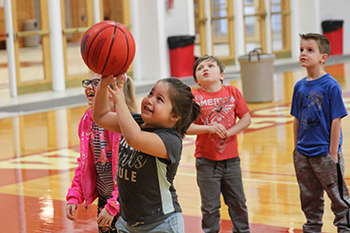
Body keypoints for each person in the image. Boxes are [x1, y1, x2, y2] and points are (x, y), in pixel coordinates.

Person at [92, 74, 201, 232]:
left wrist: (120, 101)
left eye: (159, 99)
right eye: (151, 93)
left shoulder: (171, 141)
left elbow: (134, 138)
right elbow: (100, 117)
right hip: (128, 222)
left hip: (161, 224)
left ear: (174, 116)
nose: (150, 100)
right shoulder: (136, 122)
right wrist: (103, 84)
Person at [291, 33, 350, 232]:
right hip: (303, 154)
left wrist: (333, 153)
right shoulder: (299, 86)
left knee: (338, 197)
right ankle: (312, 227)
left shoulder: (330, 85)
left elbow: (336, 120)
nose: (303, 54)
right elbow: (297, 118)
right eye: (301, 50)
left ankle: (345, 228)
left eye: (309, 50)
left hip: (325, 154)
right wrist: (296, 149)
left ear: (323, 57)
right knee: (308, 197)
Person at [187, 54, 251, 233]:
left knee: (238, 202)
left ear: (222, 74)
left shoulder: (233, 92)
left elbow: (246, 118)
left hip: (231, 161)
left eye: (210, 66)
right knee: (210, 207)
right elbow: (186, 128)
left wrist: (229, 133)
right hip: (206, 161)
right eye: (200, 68)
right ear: (196, 80)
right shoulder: (193, 97)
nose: (205, 69)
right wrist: (209, 129)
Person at [65, 72, 137, 233]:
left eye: (97, 82)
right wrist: (75, 195)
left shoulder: (126, 122)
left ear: (113, 90)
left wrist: (115, 204)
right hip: (106, 200)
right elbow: (84, 164)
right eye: (88, 83)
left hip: (126, 200)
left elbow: (133, 172)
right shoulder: (88, 120)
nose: (89, 87)